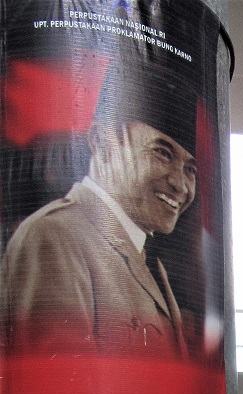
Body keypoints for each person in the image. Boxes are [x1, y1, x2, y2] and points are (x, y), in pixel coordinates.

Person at [0, 65, 197, 357]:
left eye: (191, 169)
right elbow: (59, 378)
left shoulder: (143, 252)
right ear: (102, 143)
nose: (180, 185)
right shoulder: (53, 237)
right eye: (163, 153)